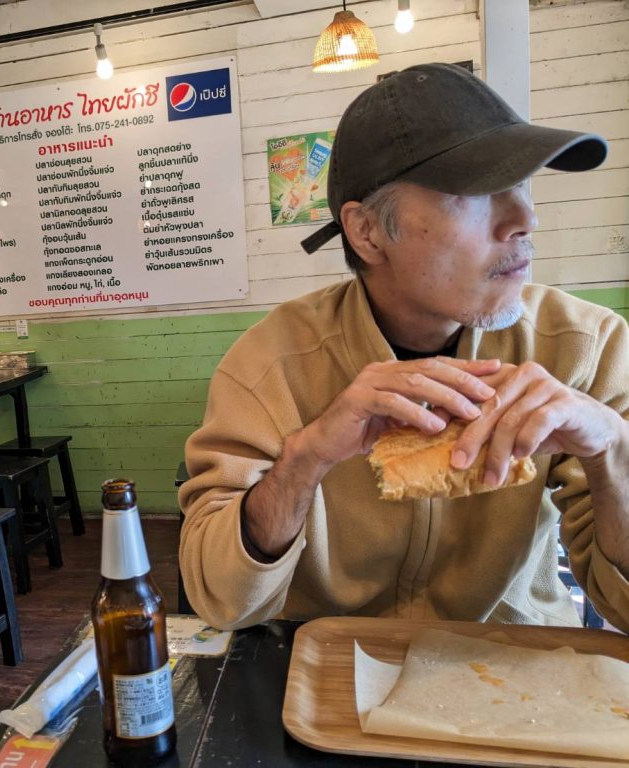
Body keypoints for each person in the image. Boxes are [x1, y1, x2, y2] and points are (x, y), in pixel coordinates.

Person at [178, 63, 629, 635]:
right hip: (326, 670)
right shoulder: (270, 368)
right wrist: (307, 456)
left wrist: (612, 447)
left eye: (522, 184)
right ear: (367, 232)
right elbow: (222, 600)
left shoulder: (587, 347)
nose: (525, 219)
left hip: (513, 662)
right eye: (475, 191)